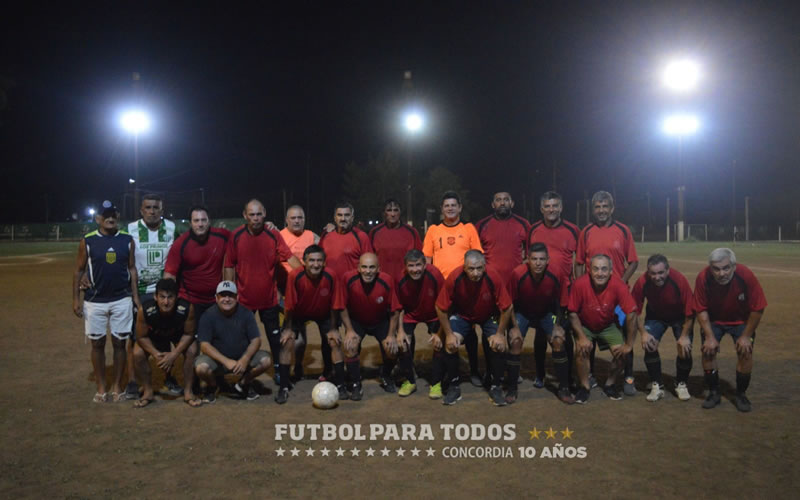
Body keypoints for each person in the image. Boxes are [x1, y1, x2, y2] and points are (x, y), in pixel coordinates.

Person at [224, 199, 301, 386]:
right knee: (242, 339)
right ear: (245, 215)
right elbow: (229, 265)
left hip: (269, 299)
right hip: (243, 300)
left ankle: (279, 370)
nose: (256, 218)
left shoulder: (273, 235)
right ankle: (243, 372)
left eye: (259, 214)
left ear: (264, 213)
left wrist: (304, 277)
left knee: (274, 338)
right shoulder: (236, 236)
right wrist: (229, 292)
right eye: (252, 214)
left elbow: (290, 258)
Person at [72, 200, 140, 403]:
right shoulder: (88, 241)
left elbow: (132, 269)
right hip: (95, 300)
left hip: (121, 299)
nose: (110, 218)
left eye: (113, 215)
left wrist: (135, 296)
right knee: (97, 344)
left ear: (117, 217)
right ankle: (102, 387)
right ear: (98, 219)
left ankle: (117, 385)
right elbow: (79, 270)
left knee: (120, 343)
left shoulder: (127, 240)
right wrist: (75, 299)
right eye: (106, 215)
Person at [576, 191, 639, 395]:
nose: (601, 210)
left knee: (626, 334)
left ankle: (628, 377)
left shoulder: (623, 230)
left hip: (617, 297)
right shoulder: (586, 232)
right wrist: (579, 287)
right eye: (597, 207)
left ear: (612, 208)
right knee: (590, 332)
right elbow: (579, 262)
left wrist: (620, 282)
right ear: (593, 209)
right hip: (592, 295)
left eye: (605, 206)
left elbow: (633, 261)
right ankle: (590, 375)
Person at [435, 250, 513, 406]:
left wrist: (499, 334)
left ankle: (496, 387)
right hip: (463, 315)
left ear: (484, 266)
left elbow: (507, 307)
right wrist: (449, 334)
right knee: (451, 345)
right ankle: (454, 387)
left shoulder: (493, 276)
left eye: (479, 268)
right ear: (464, 267)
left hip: (488, 315)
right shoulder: (455, 277)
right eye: (471, 269)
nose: (475, 273)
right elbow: (440, 307)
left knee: (499, 345)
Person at [423, 191, 484, 386]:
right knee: (442, 331)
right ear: (442, 209)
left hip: (465, 289)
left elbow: (477, 257)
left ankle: (474, 370)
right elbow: (427, 261)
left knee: (469, 331)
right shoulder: (433, 230)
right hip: (442, 290)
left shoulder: (468, 229)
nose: (450, 208)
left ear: (460, 207)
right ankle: (445, 373)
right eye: (446, 205)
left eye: (453, 205)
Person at [693, 248, 766, 412]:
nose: (721, 273)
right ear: (710, 268)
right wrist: (709, 337)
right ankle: (714, 392)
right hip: (714, 320)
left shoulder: (745, 275)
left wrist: (746, 336)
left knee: (745, 352)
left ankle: (741, 394)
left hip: (741, 320)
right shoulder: (703, 277)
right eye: (716, 269)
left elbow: (758, 308)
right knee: (708, 352)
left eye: (726, 268)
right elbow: (700, 308)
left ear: (734, 266)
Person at [125, 193, 181, 399]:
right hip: (139, 292)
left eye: (155, 207)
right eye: (147, 208)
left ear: (162, 210)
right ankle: (132, 381)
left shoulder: (172, 228)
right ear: (141, 210)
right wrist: (86, 273)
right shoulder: (131, 229)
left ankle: (168, 377)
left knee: (165, 335)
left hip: (165, 293)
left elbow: (189, 244)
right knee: (134, 338)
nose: (151, 211)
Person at [507, 243, 573, 404]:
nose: (538, 263)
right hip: (523, 312)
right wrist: (514, 327)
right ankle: (511, 388)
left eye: (542, 259)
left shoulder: (556, 273)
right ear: (527, 259)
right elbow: (509, 304)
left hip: (546, 312)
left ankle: (564, 387)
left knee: (558, 340)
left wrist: (557, 325)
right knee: (515, 341)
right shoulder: (517, 274)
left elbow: (562, 302)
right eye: (534, 259)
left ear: (548, 260)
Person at [526, 191, 580, 389]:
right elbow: (529, 257)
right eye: (547, 206)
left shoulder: (573, 230)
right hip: (540, 291)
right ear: (542, 209)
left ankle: (568, 375)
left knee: (566, 334)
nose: (551, 209)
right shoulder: (533, 230)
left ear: (561, 207)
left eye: (555, 205)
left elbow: (580, 260)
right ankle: (540, 374)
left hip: (564, 291)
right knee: (541, 334)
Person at [568, 254, 638, 404]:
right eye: (596, 269)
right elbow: (572, 313)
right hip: (585, 324)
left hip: (608, 325)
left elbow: (632, 313)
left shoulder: (619, 285)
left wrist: (629, 344)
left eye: (604, 269)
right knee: (581, 350)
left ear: (611, 271)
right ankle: (584, 387)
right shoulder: (579, 284)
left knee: (623, 354)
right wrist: (581, 337)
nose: (600, 273)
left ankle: (610, 384)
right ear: (589, 270)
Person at [334, 253, 402, 401]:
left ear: (378, 269)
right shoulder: (348, 279)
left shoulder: (387, 280)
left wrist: (391, 335)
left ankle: (385, 375)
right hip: (357, 321)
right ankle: (356, 383)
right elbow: (342, 306)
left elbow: (395, 310)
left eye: (372, 267)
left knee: (392, 348)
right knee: (350, 346)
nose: (368, 271)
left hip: (380, 321)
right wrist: (349, 330)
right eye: (364, 267)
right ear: (358, 268)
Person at [278, 245, 340, 403]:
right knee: (286, 341)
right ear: (304, 262)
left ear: (324, 262)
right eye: (311, 260)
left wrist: (333, 329)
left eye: (319, 261)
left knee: (333, 340)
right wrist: (288, 329)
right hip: (299, 313)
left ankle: (334, 378)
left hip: (323, 312)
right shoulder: (295, 276)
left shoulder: (331, 275)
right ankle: (283, 386)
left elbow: (335, 305)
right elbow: (289, 305)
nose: (316, 264)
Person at [194, 281, 272, 403]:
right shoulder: (208, 315)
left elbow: (256, 340)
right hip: (219, 362)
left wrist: (245, 359)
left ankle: (243, 384)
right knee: (201, 368)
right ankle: (213, 386)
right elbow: (204, 345)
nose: (227, 299)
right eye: (222, 295)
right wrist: (226, 361)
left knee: (266, 360)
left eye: (230, 295)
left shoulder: (246, 313)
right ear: (216, 298)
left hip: (242, 360)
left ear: (237, 297)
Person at [631, 254, 695, 402]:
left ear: (667, 270)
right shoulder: (642, 282)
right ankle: (657, 385)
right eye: (653, 273)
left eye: (661, 272)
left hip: (680, 316)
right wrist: (644, 333)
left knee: (684, 348)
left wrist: (684, 336)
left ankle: (681, 383)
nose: (657, 277)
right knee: (649, 345)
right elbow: (634, 310)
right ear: (648, 272)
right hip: (656, 316)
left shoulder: (679, 280)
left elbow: (690, 311)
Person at [132, 278, 200, 407]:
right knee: (137, 353)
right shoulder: (145, 310)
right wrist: (156, 354)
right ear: (155, 297)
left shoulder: (186, 308)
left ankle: (188, 391)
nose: (166, 302)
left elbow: (189, 334)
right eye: (162, 297)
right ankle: (148, 391)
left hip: (178, 335)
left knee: (192, 349)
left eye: (170, 297)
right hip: (154, 336)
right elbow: (141, 337)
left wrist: (174, 354)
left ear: (177, 297)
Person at [276, 205, 321, 380]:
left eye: (300, 218)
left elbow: (326, 249)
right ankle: (282, 369)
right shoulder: (279, 236)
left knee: (300, 334)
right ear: (286, 220)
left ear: (304, 219)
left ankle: (298, 365)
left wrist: (330, 230)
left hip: (304, 292)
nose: (296, 221)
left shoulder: (311, 236)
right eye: (293, 218)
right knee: (285, 333)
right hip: (283, 292)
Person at [164, 205, 230, 321]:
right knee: (191, 332)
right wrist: (168, 300)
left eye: (204, 220)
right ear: (190, 223)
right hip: (190, 300)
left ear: (209, 222)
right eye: (196, 220)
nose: (200, 224)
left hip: (217, 299)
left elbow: (242, 238)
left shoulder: (222, 236)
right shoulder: (180, 244)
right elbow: (169, 275)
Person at [394, 249, 445, 398]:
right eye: (411, 266)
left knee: (440, 343)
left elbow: (444, 305)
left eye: (418, 265)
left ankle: (436, 383)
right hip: (410, 314)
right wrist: (400, 331)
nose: (415, 269)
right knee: (403, 343)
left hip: (433, 314)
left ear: (425, 265)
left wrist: (439, 333)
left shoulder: (435, 274)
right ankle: (409, 380)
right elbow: (398, 307)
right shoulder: (400, 278)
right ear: (405, 266)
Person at [476, 191, 530, 278]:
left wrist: (522, 270)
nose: (502, 203)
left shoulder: (524, 224)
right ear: (493, 205)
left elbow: (531, 253)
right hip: (490, 278)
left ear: (512, 204)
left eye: (506, 199)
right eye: (498, 200)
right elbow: (476, 255)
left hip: (516, 278)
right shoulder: (481, 225)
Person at [369, 199, 422, 284]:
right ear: (384, 213)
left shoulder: (412, 232)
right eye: (389, 210)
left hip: (406, 282)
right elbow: (369, 259)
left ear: (400, 212)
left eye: (396, 210)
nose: (393, 214)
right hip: (381, 282)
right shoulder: (375, 232)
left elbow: (419, 259)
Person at [318, 202, 372, 278]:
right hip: (330, 284)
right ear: (335, 218)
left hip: (352, 284)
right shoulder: (326, 235)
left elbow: (369, 264)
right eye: (339, 215)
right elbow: (318, 259)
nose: (343, 219)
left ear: (352, 218)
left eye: (347, 215)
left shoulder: (361, 236)